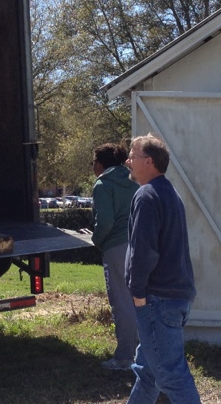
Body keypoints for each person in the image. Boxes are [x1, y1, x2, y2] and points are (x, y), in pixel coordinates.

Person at [124, 133, 201, 404]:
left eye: (132, 156)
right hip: (176, 297)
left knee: (171, 376)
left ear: (149, 161)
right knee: (148, 374)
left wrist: (137, 292)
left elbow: (142, 250)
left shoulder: (146, 196)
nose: (128, 161)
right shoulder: (170, 193)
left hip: (157, 299)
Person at [91, 142, 140, 371]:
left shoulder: (102, 184)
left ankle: (124, 358)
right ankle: (143, 355)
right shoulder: (133, 178)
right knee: (139, 300)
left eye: (93, 163)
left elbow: (106, 222)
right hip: (139, 244)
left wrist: (96, 240)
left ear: (100, 164)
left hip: (116, 247)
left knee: (121, 302)